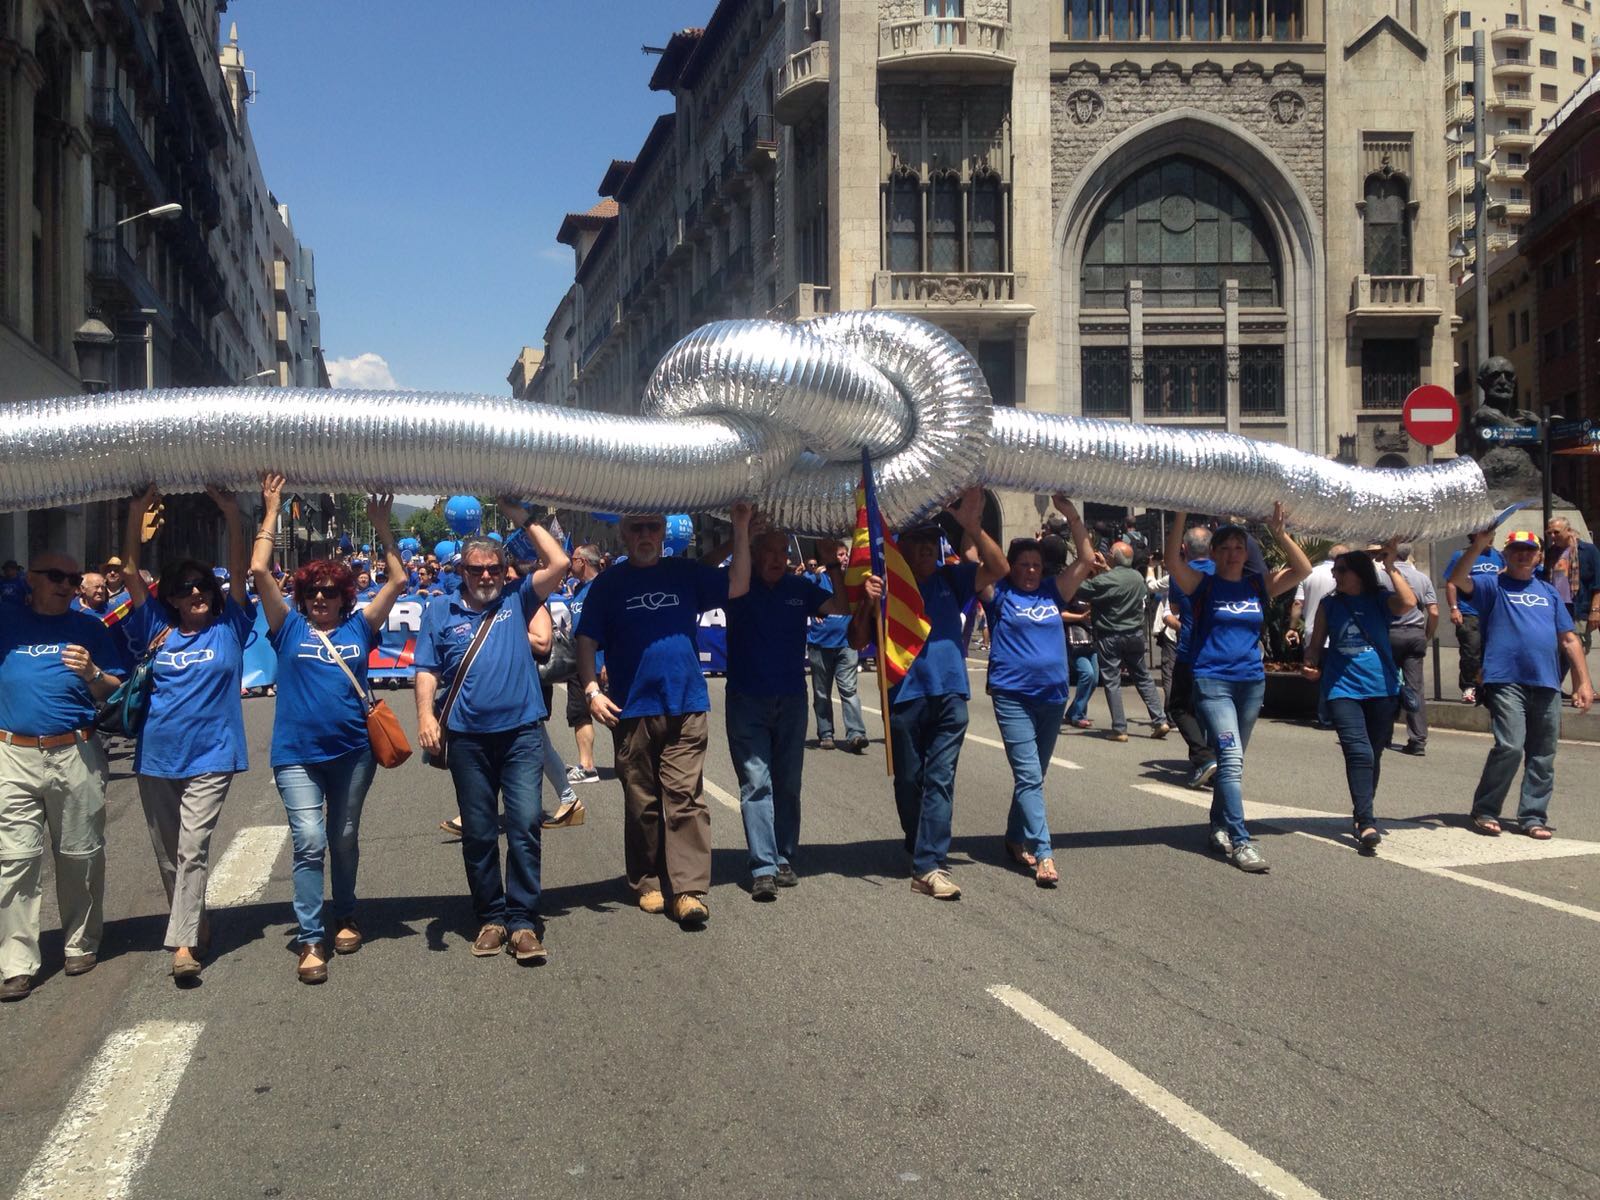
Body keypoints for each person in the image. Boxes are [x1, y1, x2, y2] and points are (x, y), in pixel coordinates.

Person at [251, 475, 408, 983]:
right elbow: (258, 568)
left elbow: (399, 582)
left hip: (353, 753)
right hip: (296, 753)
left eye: (329, 592)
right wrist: (271, 509)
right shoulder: (288, 627)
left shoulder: (360, 626)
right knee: (310, 839)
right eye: (312, 591)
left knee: (343, 836)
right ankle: (310, 937)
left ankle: (346, 912)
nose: (320, 598)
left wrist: (384, 531)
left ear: (344, 597)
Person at [415, 502, 568, 962]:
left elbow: (559, 562)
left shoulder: (517, 598)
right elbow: (425, 668)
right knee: (480, 832)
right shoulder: (439, 610)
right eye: (476, 569)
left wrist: (523, 519)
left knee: (524, 823)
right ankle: (491, 917)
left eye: (494, 568)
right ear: (462, 571)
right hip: (466, 738)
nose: (485, 577)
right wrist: (425, 715)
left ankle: (522, 921)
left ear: (504, 570)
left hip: (521, 734)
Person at [121, 484, 253, 981]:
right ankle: (196, 921)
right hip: (155, 756)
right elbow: (132, 572)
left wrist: (229, 513)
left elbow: (240, 572)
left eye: (201, 586)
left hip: (212, 755)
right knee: (169, 854)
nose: (194, 593)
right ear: (170, 599)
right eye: (183, 588)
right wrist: (136, 508)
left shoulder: (230, 627)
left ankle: (183, 946)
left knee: (192, 847)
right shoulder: (158, 626)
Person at [575, 512, 729, 926]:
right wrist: (591, 691)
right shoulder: (608, 584)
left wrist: (745, 530)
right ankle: (647, 881)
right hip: (631, 709)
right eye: (637, 528)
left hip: (687, 703)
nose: (645, 535)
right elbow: (586, 640)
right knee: (641, 802)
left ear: (663, 532)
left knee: (684, 797)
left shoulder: (686, 573)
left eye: (653, 528)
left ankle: (689, 890)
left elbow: (741, 583)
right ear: (623, 533)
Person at [858, 487, 1008, 901]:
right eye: (917, 543)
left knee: (939, 781)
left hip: (950, 695)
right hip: (904, 696)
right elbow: (856, 640)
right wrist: (867, 604)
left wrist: (973, 527)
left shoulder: (953, 578)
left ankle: (929, 866)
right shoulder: (887, 586)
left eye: (932, 543)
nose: (926, 550)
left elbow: (998, 567)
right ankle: (918, 840)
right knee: (910, 780)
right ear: (900, 549)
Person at [0, 552, 123, 1001]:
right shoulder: (6, 620)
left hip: (76, 751)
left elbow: (119, 687)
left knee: (80, 852)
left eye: (73, 578)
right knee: (13, 859)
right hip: (12, 752)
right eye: (56, 577)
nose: (67, 585)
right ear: (30, 580)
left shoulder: (90, 628)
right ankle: (15, 963)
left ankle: (80, 942)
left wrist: (93, 673)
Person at [1164, 505, 1312, 872]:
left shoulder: (1256, 584)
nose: (1232, 553)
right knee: (1230, 760)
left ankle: (1218, 826)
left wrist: (1279, 532)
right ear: (1213, 553)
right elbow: (1171, 561)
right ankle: (1241, 841)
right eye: (1225, 547)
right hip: (1212, 681)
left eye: (1239, 547)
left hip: (1251, 683)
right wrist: (1181, 513)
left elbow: (1304, 570)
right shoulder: (1203, 585)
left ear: (1247, 553)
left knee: (1233, 763)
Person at [724, 507, 849, 900]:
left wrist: (832, 563)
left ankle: (783, 856)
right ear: (754, 554)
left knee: (788, 786)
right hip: (748, 701)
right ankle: (762, 866)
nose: (780, 559)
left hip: (792, 700)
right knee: (756, 784)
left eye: (784, 552)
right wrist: (739, 532)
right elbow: (709, 570)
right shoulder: (737, 588)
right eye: (771, 551)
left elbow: (841, 607)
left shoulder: (799, 590)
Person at [1450, 528, 1595, 838]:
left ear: (1539, 556)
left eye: (1530, 550)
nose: (1523, 554)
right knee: (1511, 746)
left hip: (1546, 681)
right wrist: (1477, 547)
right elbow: (1459, 579)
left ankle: (1532, 816)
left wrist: (1584, 683)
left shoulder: (1549, 592)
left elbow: (1569, 639)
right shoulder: (1493, 585)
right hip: (1505, 679)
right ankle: (1486, 809)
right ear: (1505, 554)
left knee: (1543, 753)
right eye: (1516, 549)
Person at [981, 497, 1095, 887]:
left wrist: (1072, 515)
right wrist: (970, 517)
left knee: (1035, 774)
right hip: (1012, 696)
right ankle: (1042, 852)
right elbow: (973, 560)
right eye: (1023, 565)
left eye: (1035, 565)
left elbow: (1086, 558)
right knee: (1029, 774)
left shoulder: (1052, 591)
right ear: (1011, 568)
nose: (1030, 571)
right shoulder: (999, 596)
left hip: (1052, 697)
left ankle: (1015, 836)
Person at [1301, 544, 1418, 853]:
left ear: (1359, 574)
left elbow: (1408, 602)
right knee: (1359, 752)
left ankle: (1362, 811)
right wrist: (1310, 662)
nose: (1334, 574)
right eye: (1334, 569)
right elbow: (1315, 644)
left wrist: (1391, 566)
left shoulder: (1379, 600)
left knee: (1374, 754)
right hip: (1342, 688)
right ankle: (1366, 820)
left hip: (1382, 688)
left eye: (1341, 570)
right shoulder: (1330, 604)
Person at [1078, 541, 1171, 741]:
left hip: (1110, 634)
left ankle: (1120, 728)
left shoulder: (1105, 580)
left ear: (1112, 555)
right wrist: (1106, 569)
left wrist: (1086, 566)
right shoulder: (1137, 578)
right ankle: (1160, 719)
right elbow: (1121, 580)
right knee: (1143, 677)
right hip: (1135, 634)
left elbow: (1082, 589)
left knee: (1112, 681)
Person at [806, 538, 867, 753]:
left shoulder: (853, 581)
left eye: (844, 555)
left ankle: (856, 734)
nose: (843, 558)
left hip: (846, 643)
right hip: (820, 644)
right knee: (821, 692)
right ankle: (826, 733)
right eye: (838, 555)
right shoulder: (817, 578)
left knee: (849, 690)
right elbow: (804, 593)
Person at [1384, 543, 1438, 756]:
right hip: (1415, 633)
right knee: (1415, 688)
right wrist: (1426, 635)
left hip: (1390, 633)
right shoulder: (1422, 579)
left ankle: (1383, 734)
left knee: (1386, 685)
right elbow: (1433, 612)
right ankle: (1417, 740)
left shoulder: (1382, 576)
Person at [561, 544, 605, 784]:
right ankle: (587, 766)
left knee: (612, 714)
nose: (570, 562)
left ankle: (634, 760)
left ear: (583, 562)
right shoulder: (578, 589)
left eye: (573, 558)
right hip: (579, 663)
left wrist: (608, 661)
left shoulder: (603, 587)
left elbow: (613, 627)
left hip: (600, 664)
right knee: (580, 714)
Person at [1444, 534, 1505, 704]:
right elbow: (1451, 583)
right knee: (1471, 650)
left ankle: (1486, 686)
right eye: (1487, 534)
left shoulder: (1499, 556)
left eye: (1493, 534)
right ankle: (1468, 685)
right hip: (1469, 611)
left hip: (1492, 612)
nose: (1491, 537)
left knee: (1490, 650)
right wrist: (1454, 608)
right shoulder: (1461, 556)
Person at [1543, 517, 1600, 680]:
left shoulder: (1588, 551)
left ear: (1568, 531)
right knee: (1557, 651)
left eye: (1556, 532)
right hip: (1555, 608)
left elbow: (1598, 583)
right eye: (1550, 532)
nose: (1552, 536)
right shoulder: (1552, 553)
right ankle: (1554, 686)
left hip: (1578, 608)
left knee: (1578, 650)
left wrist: (1595, 610)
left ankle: (1580, 689)